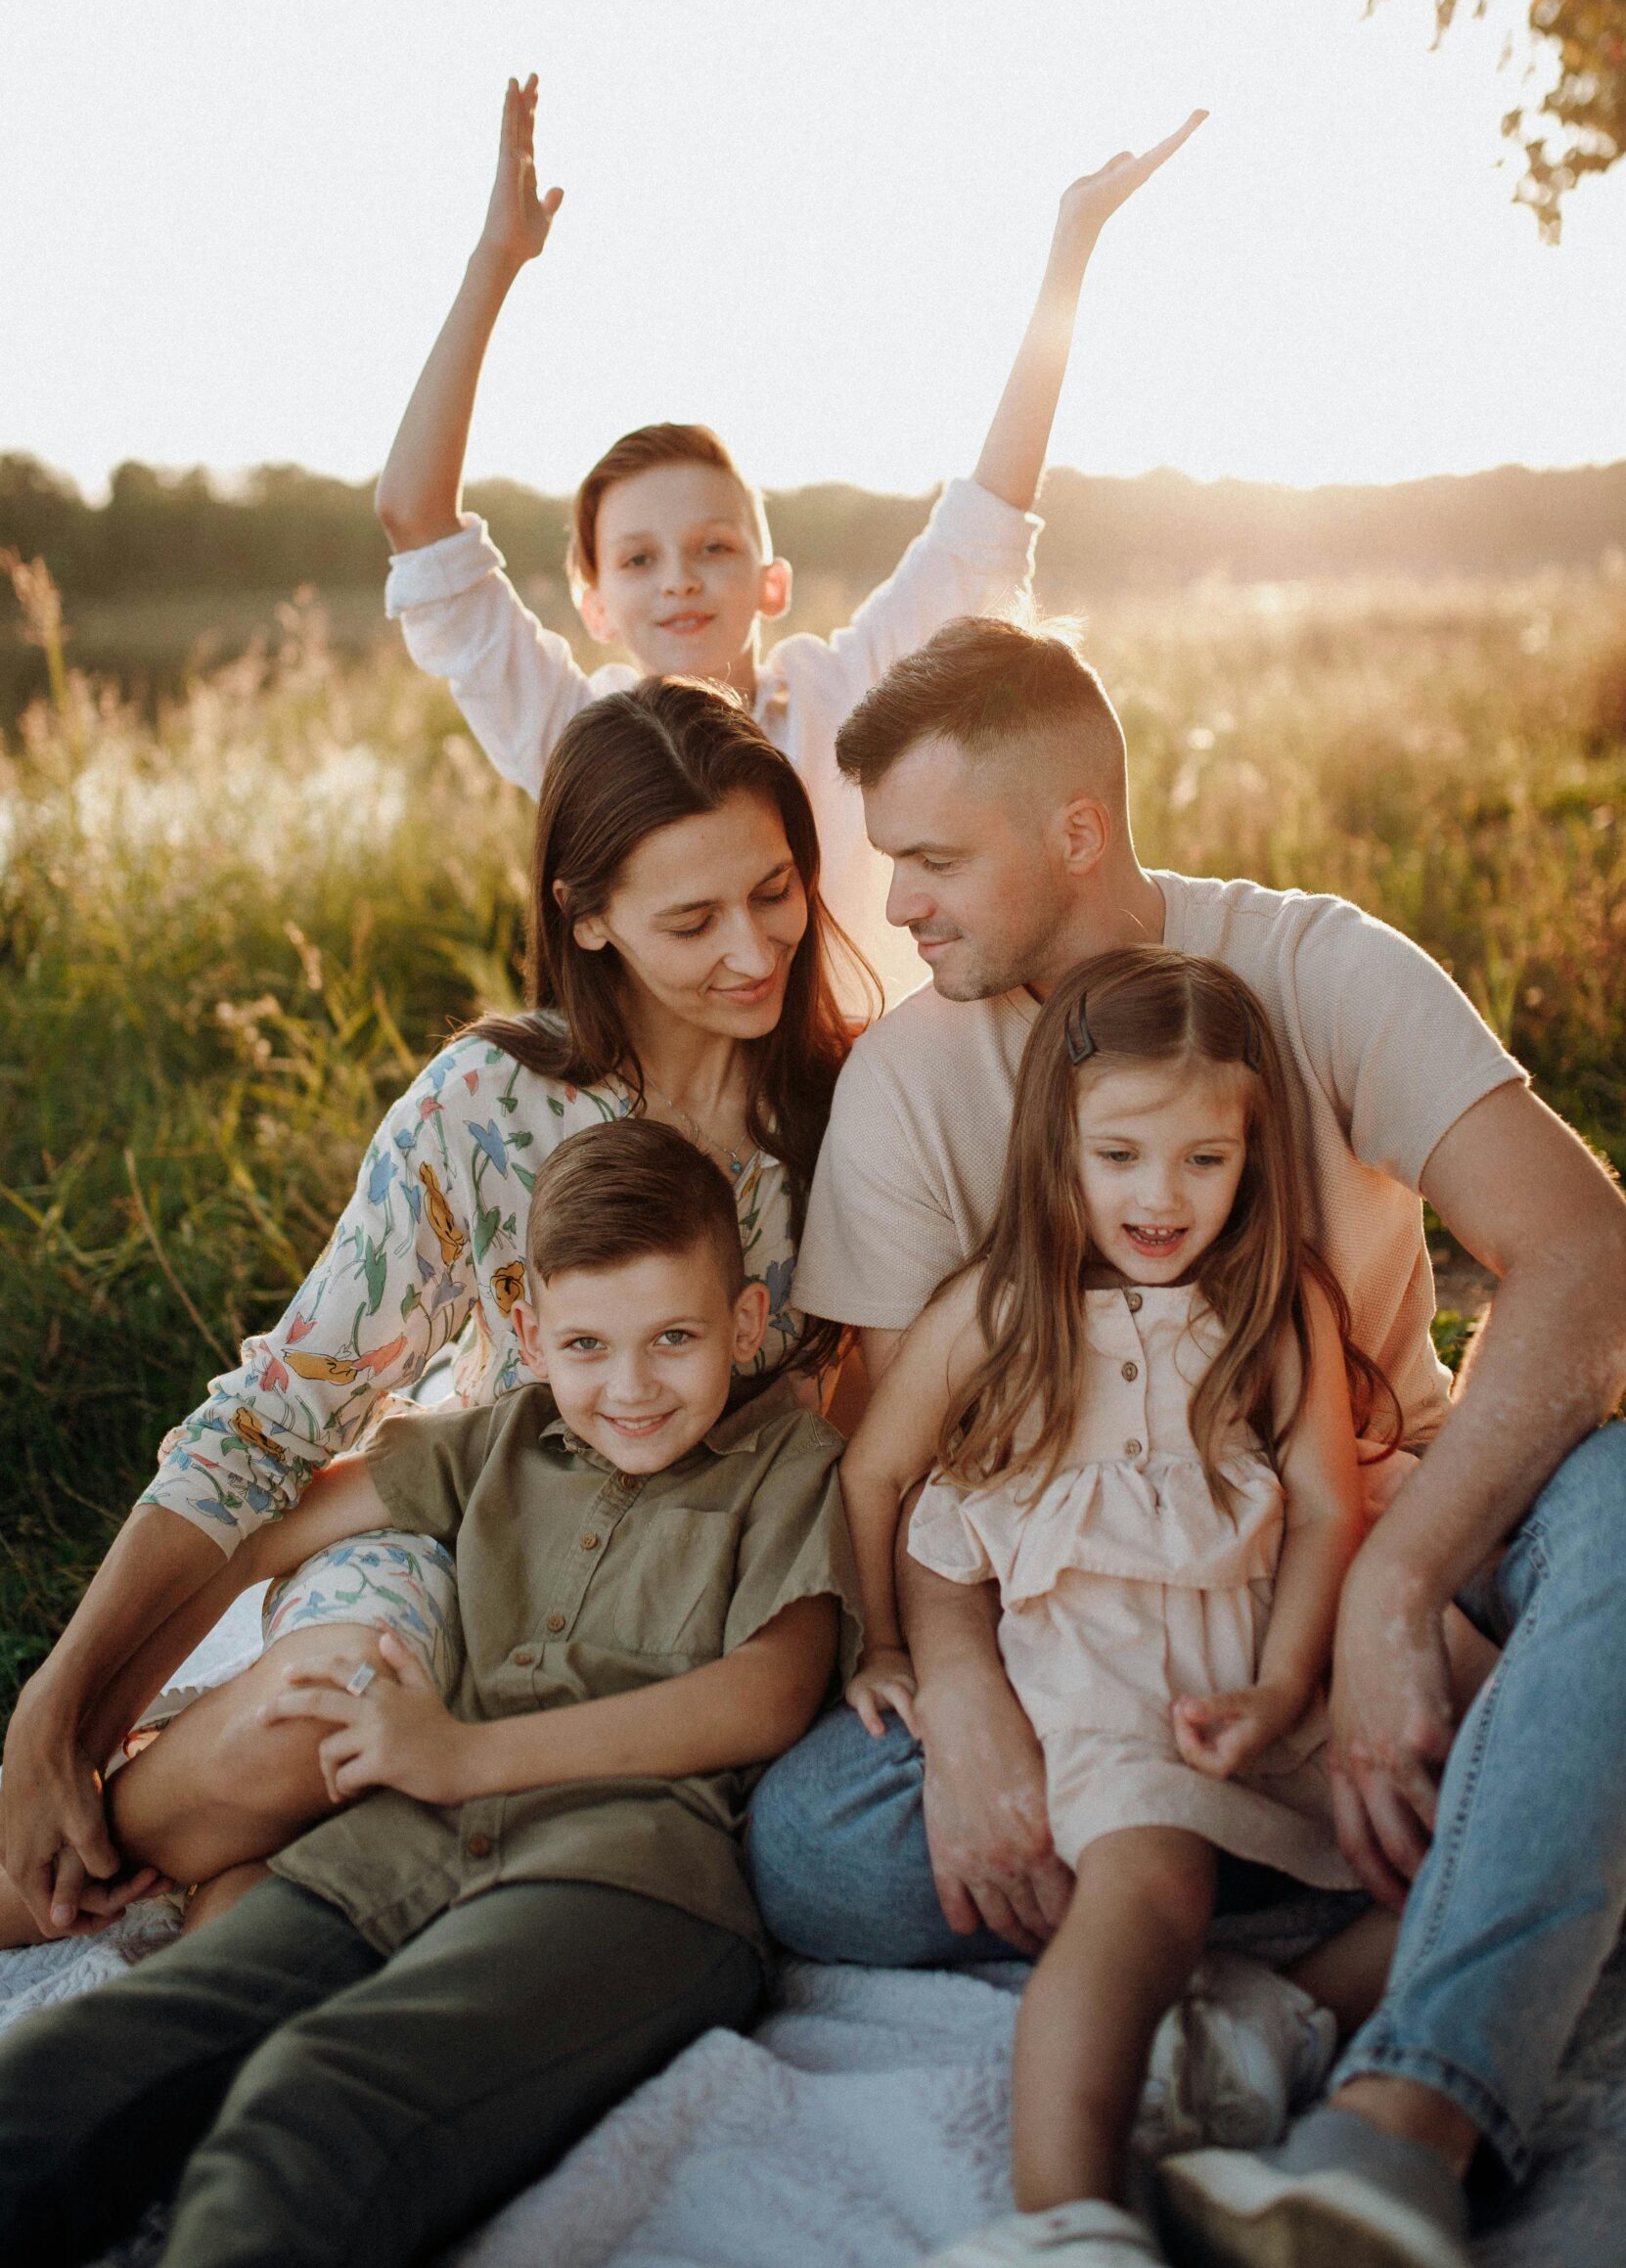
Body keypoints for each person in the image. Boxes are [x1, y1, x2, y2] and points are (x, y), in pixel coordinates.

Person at [750, 616, 1626, 2268]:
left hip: (1384, 1563)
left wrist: (1390, 1594)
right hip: (1092, 1648)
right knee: (813, 1844)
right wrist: (957, 1702)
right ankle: (1497, 1841)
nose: (898, 907)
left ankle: (1401, 2120)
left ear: (1075, 833)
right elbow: (931, 1483)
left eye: (936, 859)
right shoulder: (908, 1079)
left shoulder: (1322, 968)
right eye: (893, 863)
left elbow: (1599, 1269)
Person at [0, 676, 851, 1943]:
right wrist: (50, 1717)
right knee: (325, 1715)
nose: (751, 948)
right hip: (445, 1531)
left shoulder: (839, 1119)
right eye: (691, 919)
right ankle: (49, 1859)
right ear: (592, 918)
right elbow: (278, 1413)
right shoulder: (486, 1105)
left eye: (774, 890)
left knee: (349, 1860)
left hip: (664, 1588)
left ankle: (205, 1884)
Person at [0, 1119, 862, 2268]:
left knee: (311, 2106)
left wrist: (460, 1756)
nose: (633, 1385)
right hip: (392, 1850)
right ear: (531, 1335)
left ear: (745, 1325)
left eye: (674, 1337)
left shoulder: (789, 1465)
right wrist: (86, 1723)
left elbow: (764, 1695)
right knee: (103, 2051)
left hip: (627, 1878)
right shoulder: (503, 1440)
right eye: (589, 1344)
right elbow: (255, 1540)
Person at [373, 73, 1207, 1002]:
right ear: (594, 603)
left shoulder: (849, 696)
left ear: (772, 583)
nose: (679, 580)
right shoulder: (578, 739)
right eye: (639, 560)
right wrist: (496, 259)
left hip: (880, 1105)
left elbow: (985, 518)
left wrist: (1070, 249)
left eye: (713, 547)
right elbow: (418, 522)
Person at [839, 948, 1420, 2266]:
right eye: (1118, 1158)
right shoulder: (997, 1314)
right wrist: (885, 1648)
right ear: (1056, 1148)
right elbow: (874, 1473)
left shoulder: (1271, 1316)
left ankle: (1264, 2019)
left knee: (1462, 1821)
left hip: (1267, 1676)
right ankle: (1068, 2215)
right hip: (1097, 1681)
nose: (1158, 1198)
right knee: (1145, 1888)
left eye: (1201, 1162)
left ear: (1249, 1153)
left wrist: (1283, 1686)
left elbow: (1327, 1510)